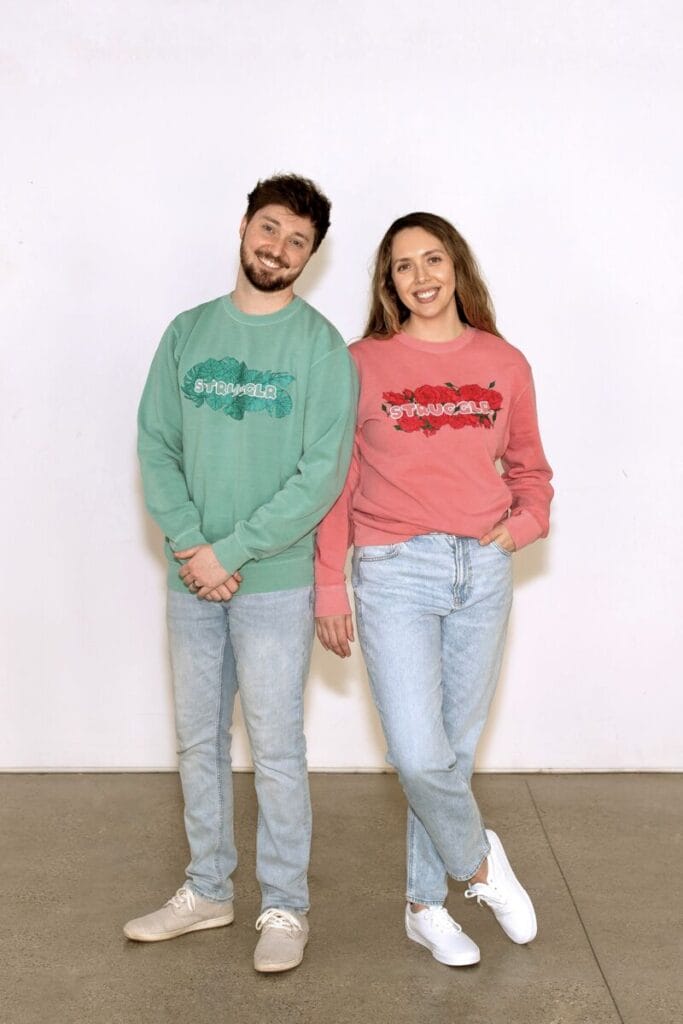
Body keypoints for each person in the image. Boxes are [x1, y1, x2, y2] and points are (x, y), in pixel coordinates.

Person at [126, 173, 357, 973]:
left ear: (311, 256)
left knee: (276, 746)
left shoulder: (320, 347)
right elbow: (156, 444)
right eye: (270, 229)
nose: (279, 249)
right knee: (196, 741)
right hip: (192, 578)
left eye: (298, 241)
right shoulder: (187, 332)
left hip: (274, 581)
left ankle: (285, 907)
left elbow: (321, 473)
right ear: (243, 227)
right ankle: (208, 891)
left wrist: (231, 551)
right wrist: (195, 546)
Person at [315, 212, 553, 967]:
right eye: (402, 267)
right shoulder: (358, 364)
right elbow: (333, 487)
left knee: (448, 754)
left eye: (432, 259)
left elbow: (530, 470)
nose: (420, 278)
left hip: (481, 570)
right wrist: (329, 587)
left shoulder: (503, 362)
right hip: (392, 570)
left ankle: (425, 906)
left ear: (456, 267)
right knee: (418, 755)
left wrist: (524, 525)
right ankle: (480, 864)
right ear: (387, 284)